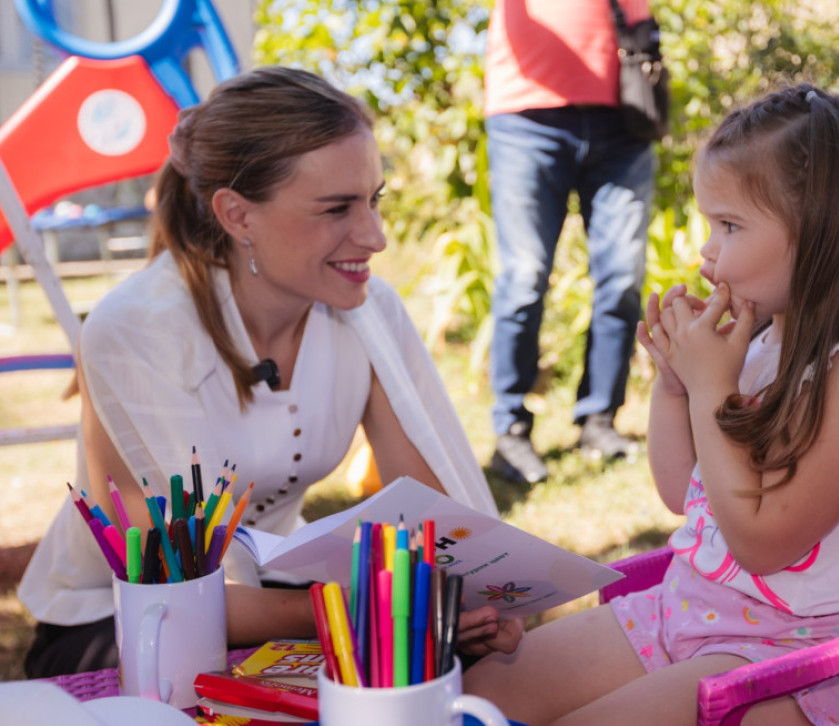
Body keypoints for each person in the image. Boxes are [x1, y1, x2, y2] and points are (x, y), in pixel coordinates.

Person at [464, 82, 839, 726]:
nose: (707, 254)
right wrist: (674, 388)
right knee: (483, 700)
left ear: (828, 224)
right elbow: (681, 491)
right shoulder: (761, 344)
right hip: (690, 610)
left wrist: (710, 391)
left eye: (730, 226)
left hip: (801, 659)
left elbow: (764, 542)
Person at [17, 66, 522, 678]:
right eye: (337, 208)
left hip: (288, 589)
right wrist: (375, 607)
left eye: (374, 200)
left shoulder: (368, 309)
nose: (376, 236)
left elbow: (431, 514)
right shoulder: (135, 331)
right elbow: (177, 590)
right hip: (127, 619)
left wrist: (476, 594)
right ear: (237, 215)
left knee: (446, 667)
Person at [484, 0, 655, 484]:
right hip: (526, 116)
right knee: (524, 275)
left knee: (622, 277)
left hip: (623, 115)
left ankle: (599, 421)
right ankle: (510, 431)